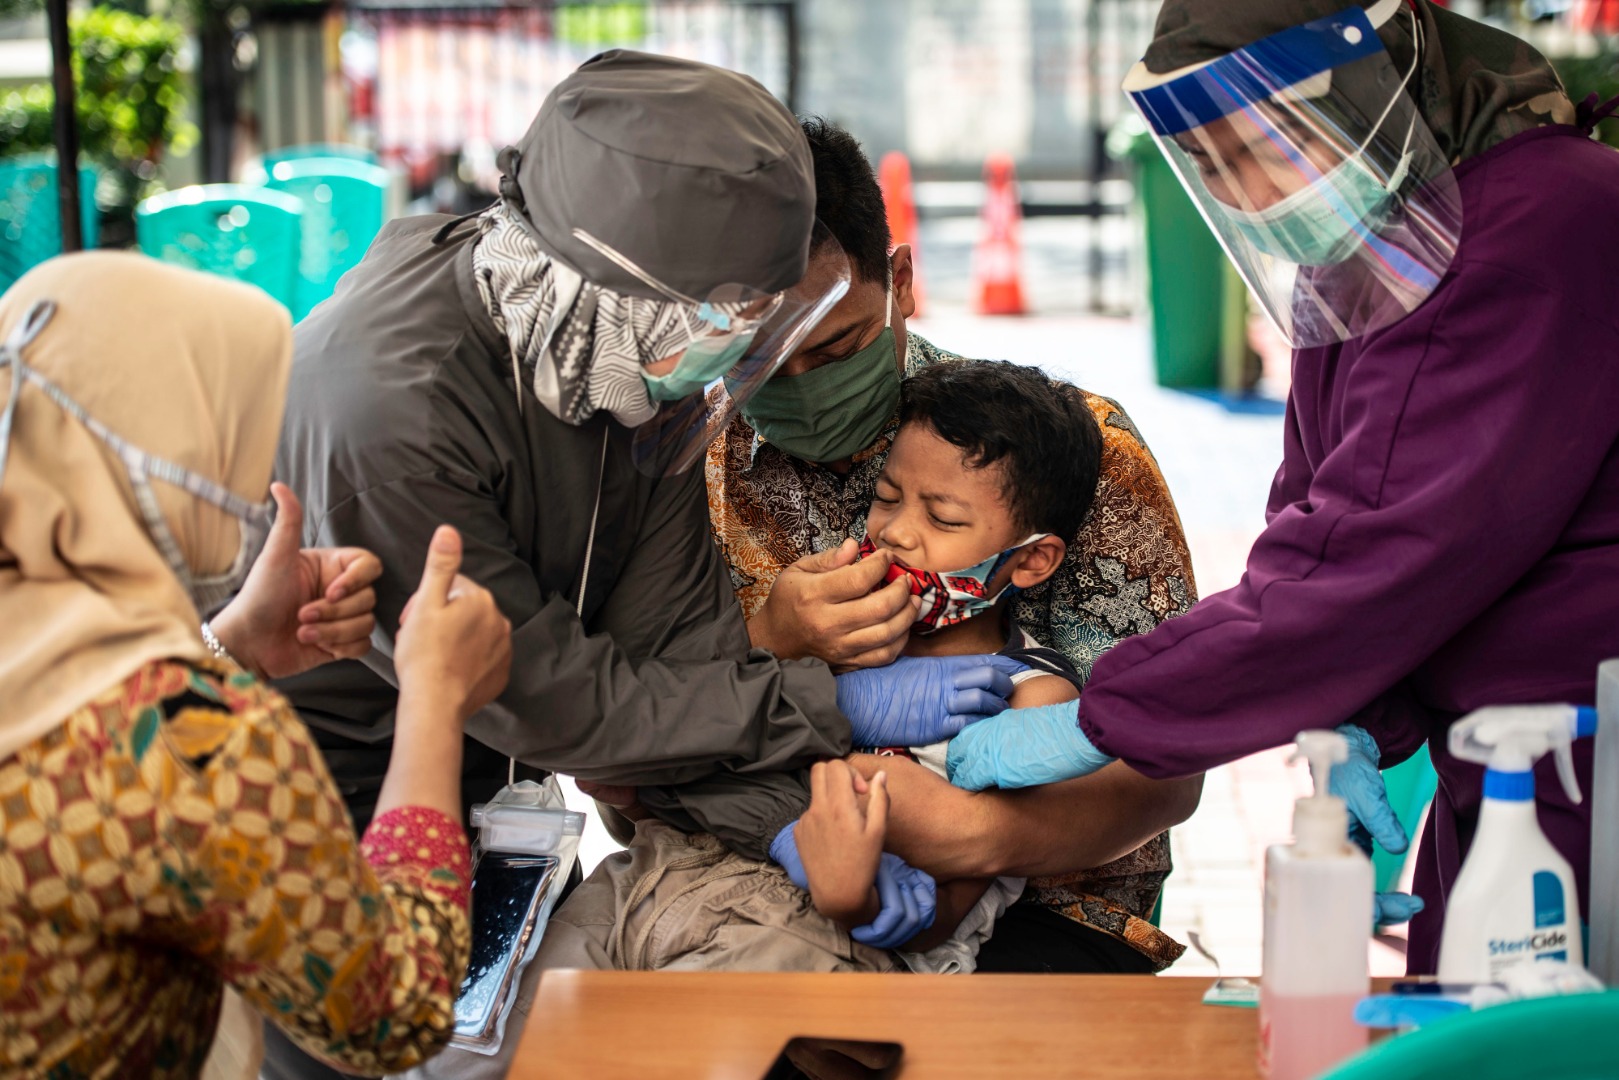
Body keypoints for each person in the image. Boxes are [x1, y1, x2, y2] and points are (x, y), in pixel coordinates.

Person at [272, 54, 1015, 1073]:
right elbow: (543, 696)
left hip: (493, 787)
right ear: (609, 285)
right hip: (337, 789)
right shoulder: (389, 411)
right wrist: (835, 708)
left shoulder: (616, 364)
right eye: (718, 319)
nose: (727, 356)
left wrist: (782, 823)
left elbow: (679, 644)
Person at [946, 0, 1619, 973]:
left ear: (1356, 92)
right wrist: (1357, 714)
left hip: (1581, 743)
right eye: (1211, 170)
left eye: (1256, 150)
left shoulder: (1531, 223)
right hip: (1513, 747)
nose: (1246, 194)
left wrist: (1102, 717)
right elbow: (1315, 502)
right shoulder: (1375, 245)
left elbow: (1369, 560)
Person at [701, 118, 1202, 973]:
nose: (800, 388)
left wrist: (976, 833)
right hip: (768, 872)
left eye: (835, 346)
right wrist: (770, 647)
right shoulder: (700, 475)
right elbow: (635, 758)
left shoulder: (1070, 455)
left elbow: (1167, 767)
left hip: (1053, 906)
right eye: (758, 360)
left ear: (898, 280)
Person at [0, 253, 513, 1077]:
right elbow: (390, 1011)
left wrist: (228, 645)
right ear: (149, 461)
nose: (251, 487)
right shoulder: (196, 741)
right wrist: (434, 697)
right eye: (233, 452)